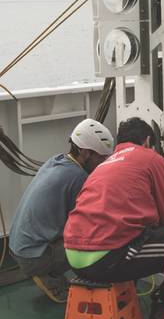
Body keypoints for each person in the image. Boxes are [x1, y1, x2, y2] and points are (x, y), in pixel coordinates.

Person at [63, 117, 164, 319]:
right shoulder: (151, 159)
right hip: (103, 260)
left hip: (73, 258)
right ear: (147, 142)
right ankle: (163, 303)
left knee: (131, 235)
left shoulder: (103, 165)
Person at [9, 118, 114, 302]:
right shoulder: (78, 177)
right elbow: (89, 223)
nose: (104, 162)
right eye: (101, 157)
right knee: (102, 243)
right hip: (33, 256)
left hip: (18, 246)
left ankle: (48, 271)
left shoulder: (55, 160)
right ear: (85, 152)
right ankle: (47, 273)